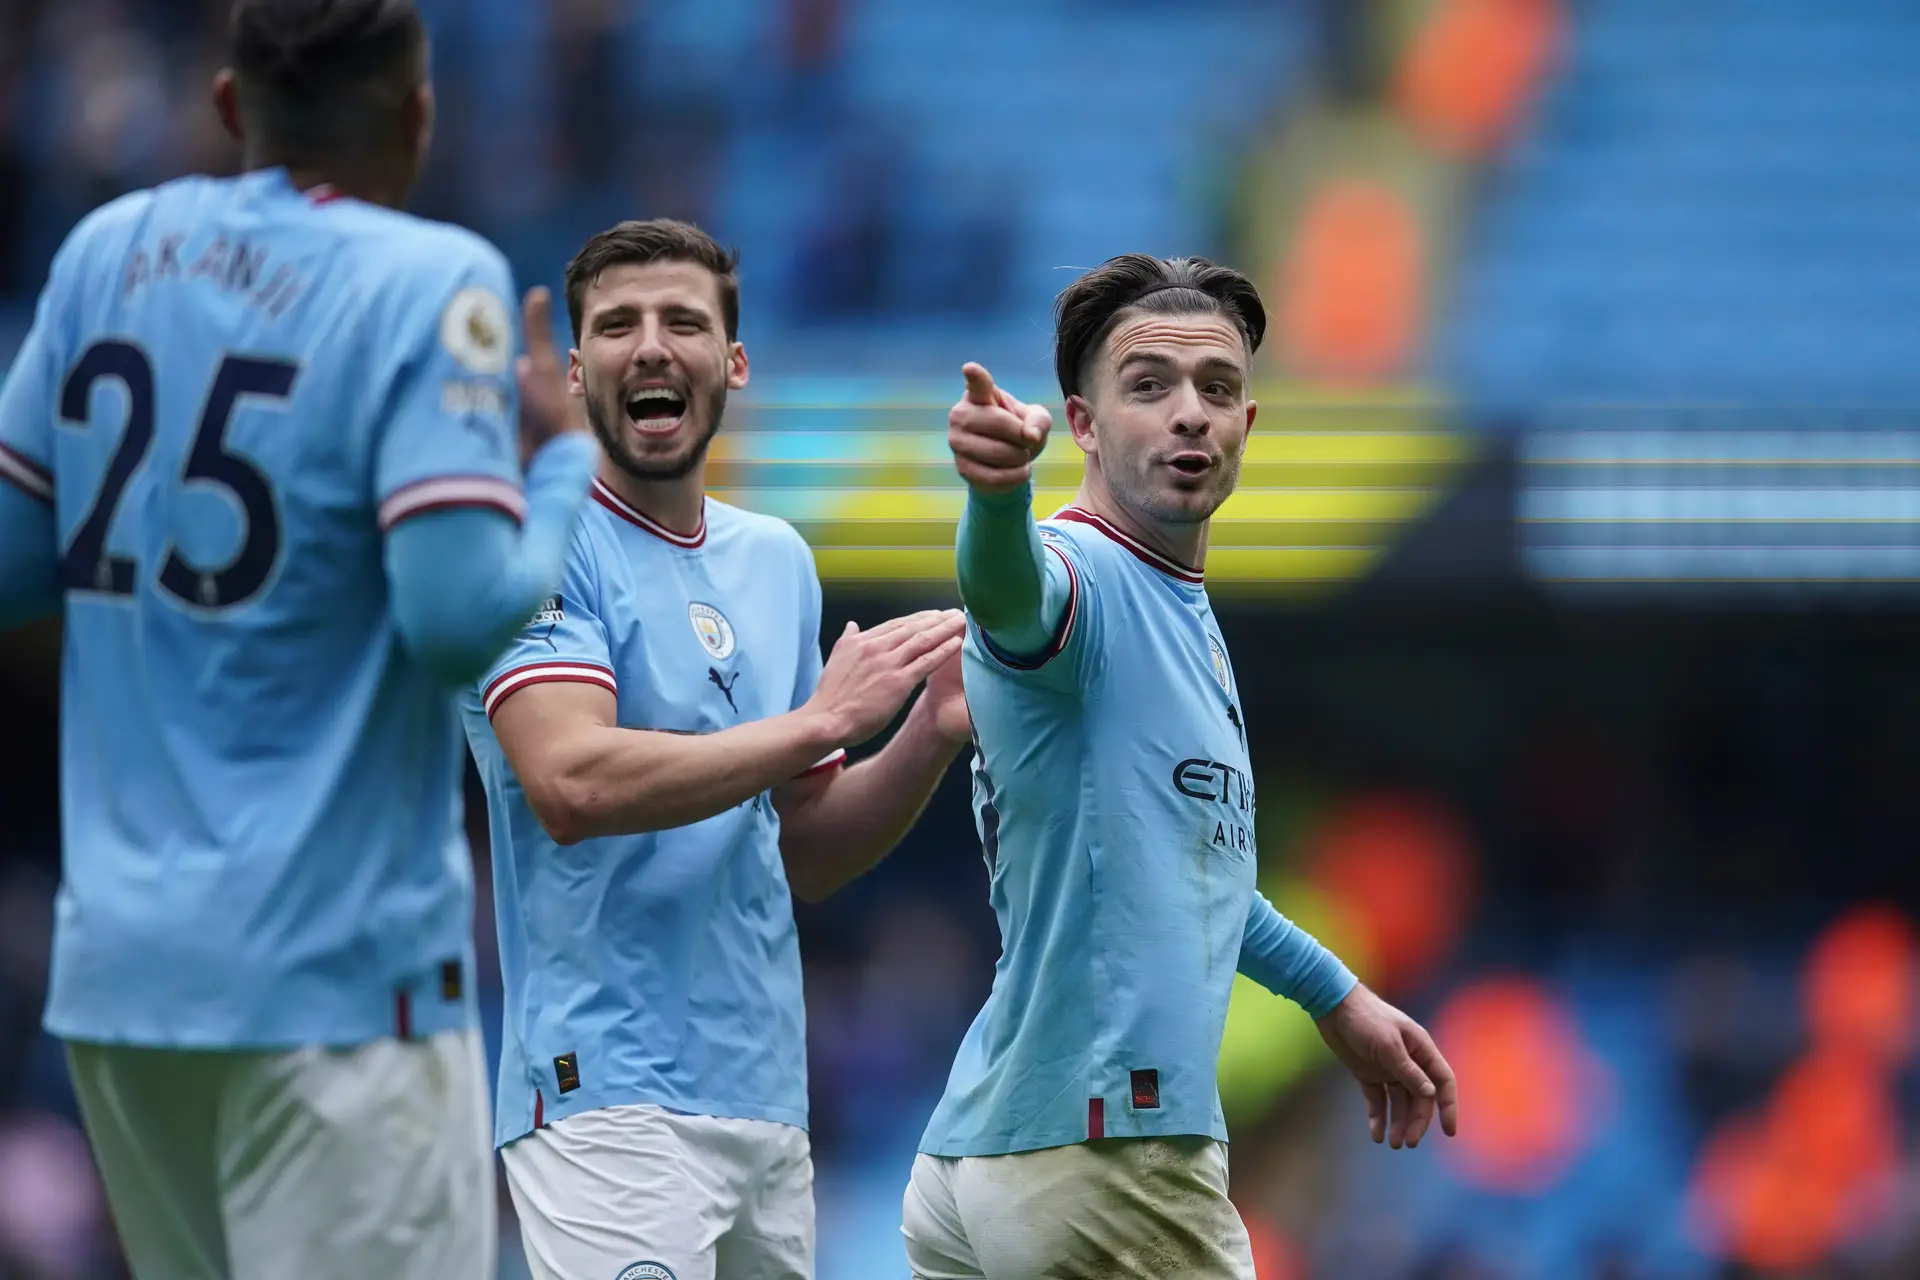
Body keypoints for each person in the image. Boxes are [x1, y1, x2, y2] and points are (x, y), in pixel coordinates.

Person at [0, 1, 598, 1275]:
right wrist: (559, 472)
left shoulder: (104, 250)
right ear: (420, 115)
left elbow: (10, 566)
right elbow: (450, 622)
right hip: (336, 985)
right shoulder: (429, 278)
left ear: (228, 107)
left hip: (124, 979)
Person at [903, 253, 1461, 1279]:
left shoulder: (1175, 606)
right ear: (1082, 422)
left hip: (989, 1151)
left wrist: (1338, 995)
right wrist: (993, 499)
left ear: (1251, 423)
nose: (1189, 414)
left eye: (1216, 388)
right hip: (1108, 1150)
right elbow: (1011, 593)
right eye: (1148, 386)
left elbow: (1186, 873)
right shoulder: (1090, 578)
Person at [463, 218, 970, 1280]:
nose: (651, 345)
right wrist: (822, 719)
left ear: (732, 362)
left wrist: (928, 732)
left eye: (682, 320)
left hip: (765, 1105)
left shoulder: (776, 560)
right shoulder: (534, 546)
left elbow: (806, 852)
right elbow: (569, 779)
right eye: (618, 325)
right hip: (604, 1097)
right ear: (575, 368)